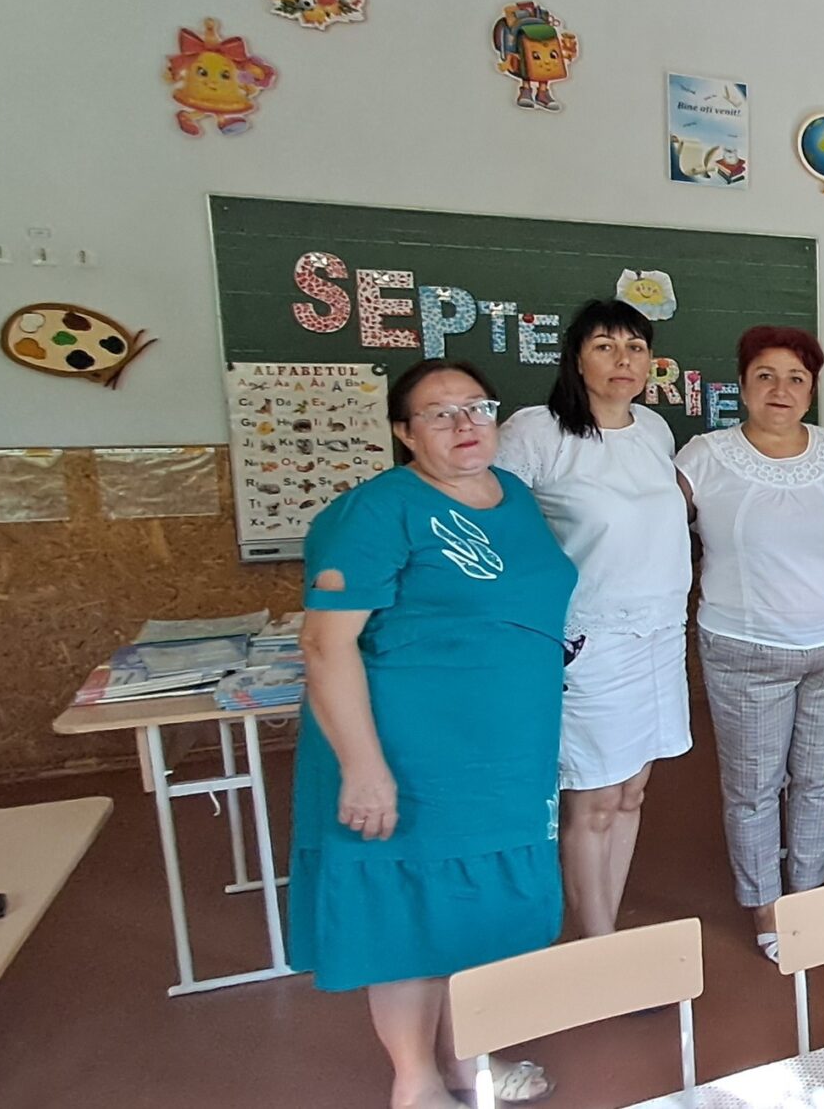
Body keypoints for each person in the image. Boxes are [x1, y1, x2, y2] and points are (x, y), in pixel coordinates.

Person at [291, 358, 575, 1109]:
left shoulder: (511, 493)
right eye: (439, 413)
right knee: (411, 911)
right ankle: (415, 1082)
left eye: (477, 407)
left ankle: (467, 1058)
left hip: (504, 753)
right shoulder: (374, 512)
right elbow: (325, 645)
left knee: (477, 912)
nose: (464, 424)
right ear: (404, 432)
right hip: (410, 751)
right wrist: (363, 768)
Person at [492, 300, 691, 943]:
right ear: (576, 359)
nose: (623, 360)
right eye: (605, 346)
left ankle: (609, 927)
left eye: (636, 347)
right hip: (592, 638)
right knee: (594, 798)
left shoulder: (654, 430)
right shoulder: (538, 432)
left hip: (661, 633)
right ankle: (599, 943)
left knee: (632, 793)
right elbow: (492, 523)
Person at [673, 327, 824, 963]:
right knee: (754, 789)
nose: (780, 390)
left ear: (812, 390)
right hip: (745, 651)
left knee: (817, 781)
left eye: (796, 378)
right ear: (742, 385)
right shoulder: (703, 457)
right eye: (765, 376)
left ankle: (807, 896)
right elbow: (649, 531)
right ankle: (765, 905)